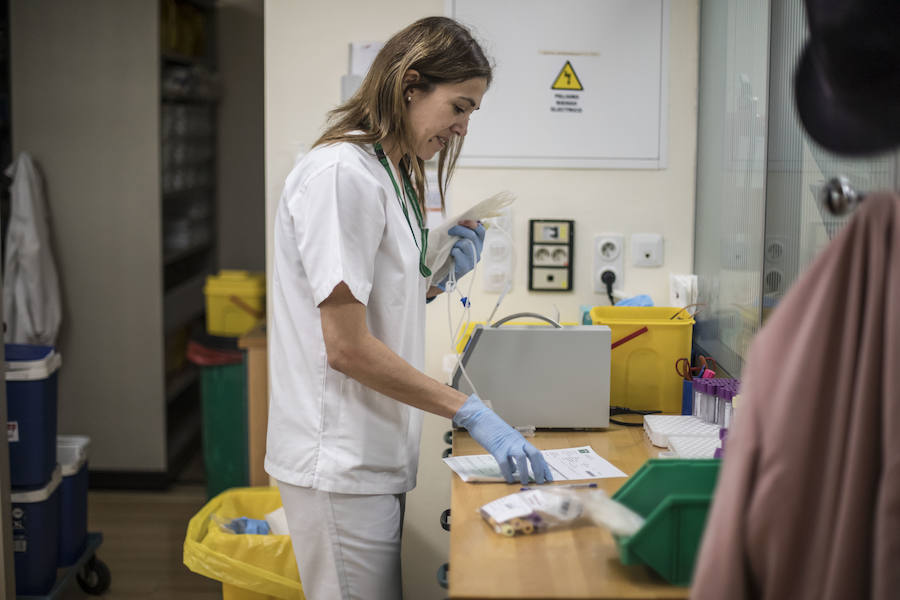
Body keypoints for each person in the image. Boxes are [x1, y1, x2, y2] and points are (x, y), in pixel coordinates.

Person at [266, 16, 552, 600]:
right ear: (410, 85)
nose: (463, 128)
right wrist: (468, 411)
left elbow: (373, 301)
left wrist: (436, 276)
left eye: (472, 113)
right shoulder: (341, 175)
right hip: (338, 458)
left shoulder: (389, 172)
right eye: (459, 107)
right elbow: (345, 346)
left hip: (370, 454)